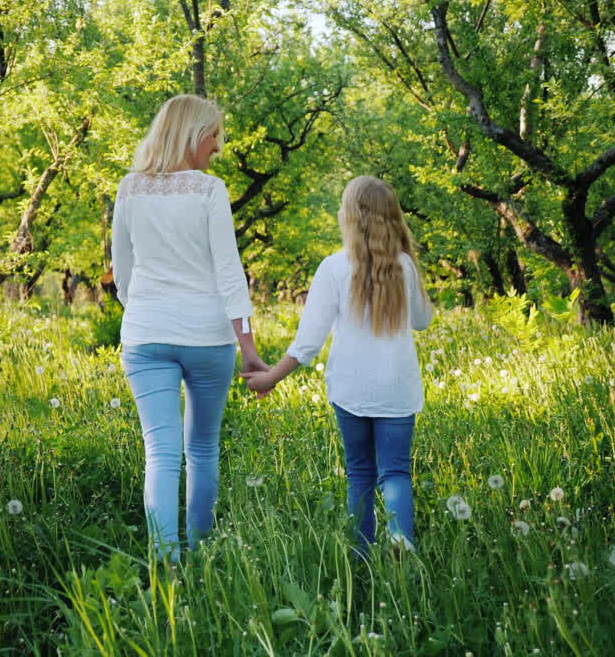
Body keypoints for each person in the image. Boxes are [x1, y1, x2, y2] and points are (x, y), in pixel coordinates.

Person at [112, 94, 267, 562]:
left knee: (160, 452)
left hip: (146, 335)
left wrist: (143, 309)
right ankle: (201, 552)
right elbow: (229, 271)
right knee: (201, 447)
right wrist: (250, 349)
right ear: (194, 134)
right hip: (206, 336)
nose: (217, 147)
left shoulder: (129, 188)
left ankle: (165, 562)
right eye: (214, 135)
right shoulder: (208, 190)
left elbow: (123, 270)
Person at [245, 175, 432, 554]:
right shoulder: (403, 267)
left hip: (350, 390)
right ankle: (401, 546)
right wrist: (409, 262)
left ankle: (361, 557)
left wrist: (272, 377)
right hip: (397, 389)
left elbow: (308, 342)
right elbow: (422, 321)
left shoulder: (333, 267)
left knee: (360, 474)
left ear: (350, 217)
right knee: (395, 472)